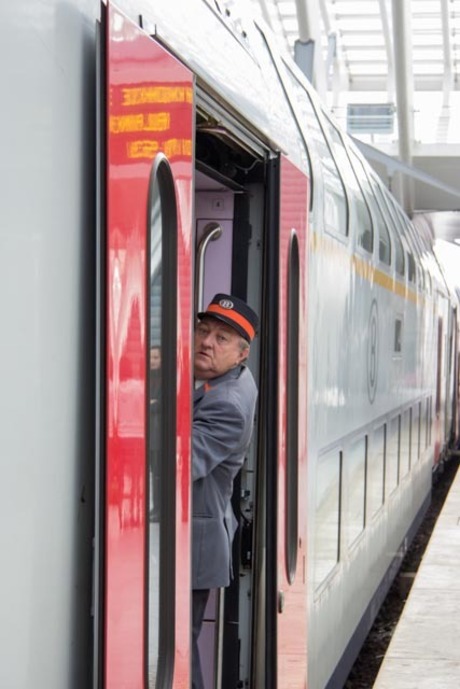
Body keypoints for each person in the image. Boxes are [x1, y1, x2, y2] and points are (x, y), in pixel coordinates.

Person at [192, 293, 259, 689]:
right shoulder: (220, 378)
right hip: (192, 538)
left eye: (222, 339)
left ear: (242, 354)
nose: (206, 342)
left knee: (173, 651)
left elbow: (179, 465)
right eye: (204, 330)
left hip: (192, 547)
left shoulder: (229, 403)